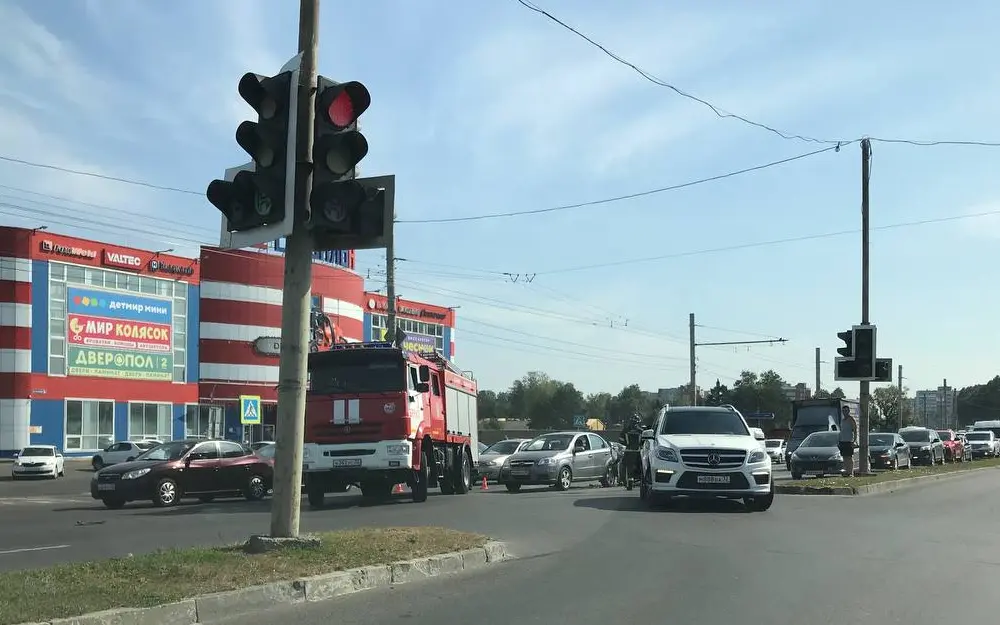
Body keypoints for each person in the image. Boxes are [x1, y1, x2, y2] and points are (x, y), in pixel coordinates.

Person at [839, 404, 859, 477]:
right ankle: (846, 471)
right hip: (842, 441)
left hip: (849, 441)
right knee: (844, 457)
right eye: (843, 411)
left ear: (849, 411)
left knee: (849, 457)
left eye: (846, 411)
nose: (845, 412)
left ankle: (851, 472)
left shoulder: (851, 419)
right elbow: (841, 431)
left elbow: (855, 430)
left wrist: (854, 441)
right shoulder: (842, 420)